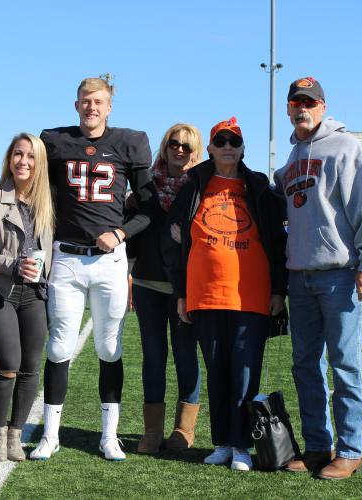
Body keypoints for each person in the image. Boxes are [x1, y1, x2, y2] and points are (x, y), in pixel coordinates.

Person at [30, 77, 155, 461]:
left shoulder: (129, 142)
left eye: (98, 101)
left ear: (110, 105)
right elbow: (34, 190)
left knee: (109, 346)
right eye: (85, 101)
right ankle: (50, 435)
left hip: (109, 262)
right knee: (59, 345)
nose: (92, 107)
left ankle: (109, 435)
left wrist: (119, 232)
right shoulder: (54, 141)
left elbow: (149, 208)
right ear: (76, 105)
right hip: (66, 257)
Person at [274, 77, 362, 480]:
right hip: (299, 276)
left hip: (341, 275)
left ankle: (351, 449)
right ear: (288, 108)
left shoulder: (345, 146)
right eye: (296, 101)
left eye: (310, 101)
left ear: (322, 107)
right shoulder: (289, 159)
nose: (302, 107)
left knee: (345, 365)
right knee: (305, 365)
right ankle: (318, 446)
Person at [162, 117, 287, 471]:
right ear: (212, 148)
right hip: (205, 294)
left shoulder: (259, 186)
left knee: (245, 374)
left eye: (234, 141)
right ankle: (222, 442)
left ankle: (243, 445)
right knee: (217, 371)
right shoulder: (195, 184)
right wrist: (183, 293)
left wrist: (279, 289)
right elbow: (173, 240)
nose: (228, 146)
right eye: (221, 141)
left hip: (252, 295)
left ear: (243, 148)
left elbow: (278, 241)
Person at [0, 133, 54, 461]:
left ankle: (15, 433)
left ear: (39, 163)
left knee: (31, 367)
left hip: (35, 294)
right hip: (0, 292)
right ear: (10, 159)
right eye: (18, 155)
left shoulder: (47, 201)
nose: (24, 161)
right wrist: (14, 265)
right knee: (9, 363)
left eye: (31, 156)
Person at [127, 124, 203, 454]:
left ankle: (184, 429)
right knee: (153, 359)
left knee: (186, 357)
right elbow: (132, 235)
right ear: (165, 146)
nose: (180, 149)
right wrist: (127, 274)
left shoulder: (203, 188)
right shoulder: (145, 187)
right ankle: (152, 431)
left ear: (196, 151)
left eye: (187, 145)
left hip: (185, 288)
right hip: (146, 283)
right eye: (174, 143)